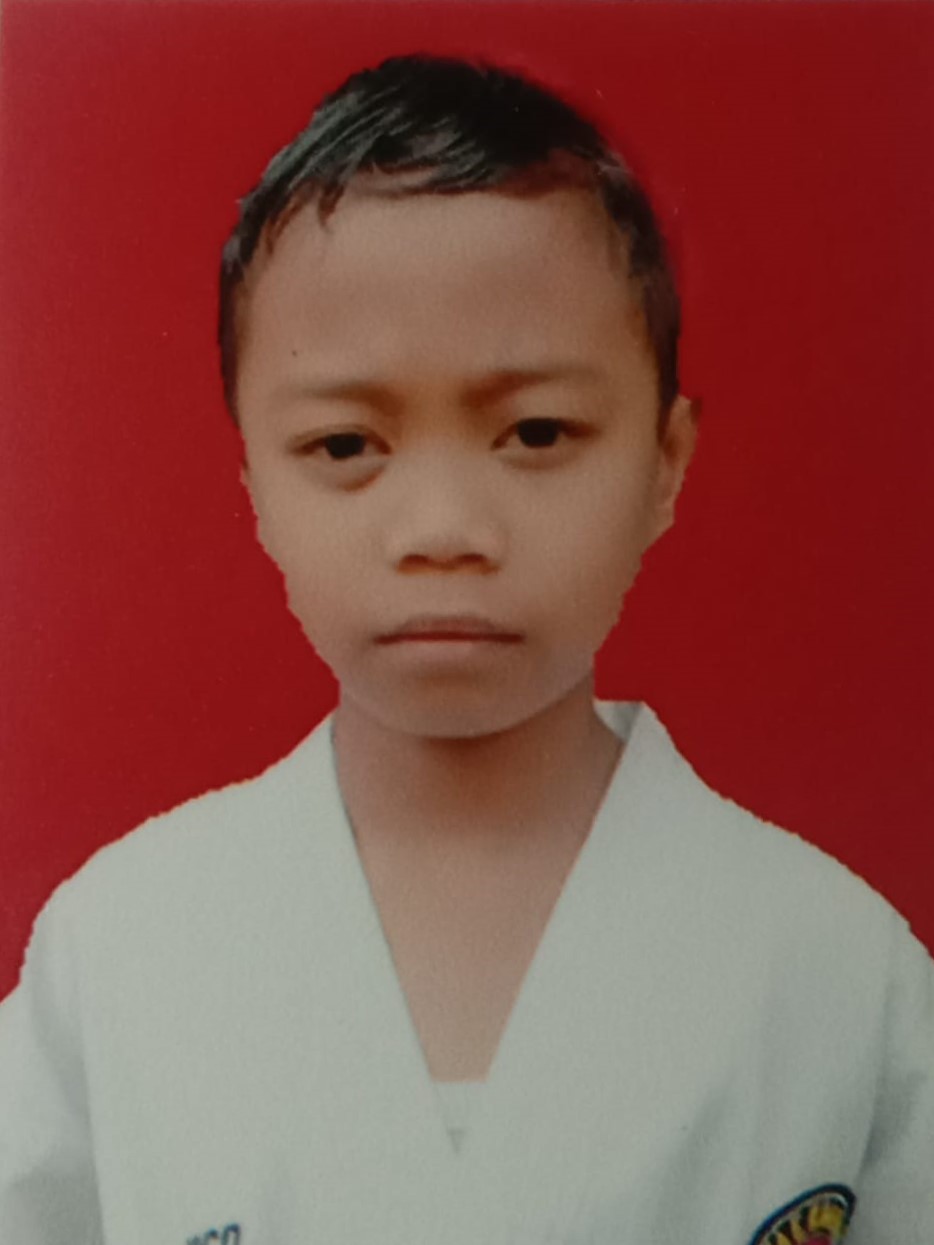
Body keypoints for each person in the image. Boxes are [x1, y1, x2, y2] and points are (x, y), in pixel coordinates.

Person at [0, 52, 931, 1245]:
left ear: (664, 463)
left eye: (535, 432)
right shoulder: (120, 952)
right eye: (346, 445)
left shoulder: (839, 972)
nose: (442, 529)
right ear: (252, 485)